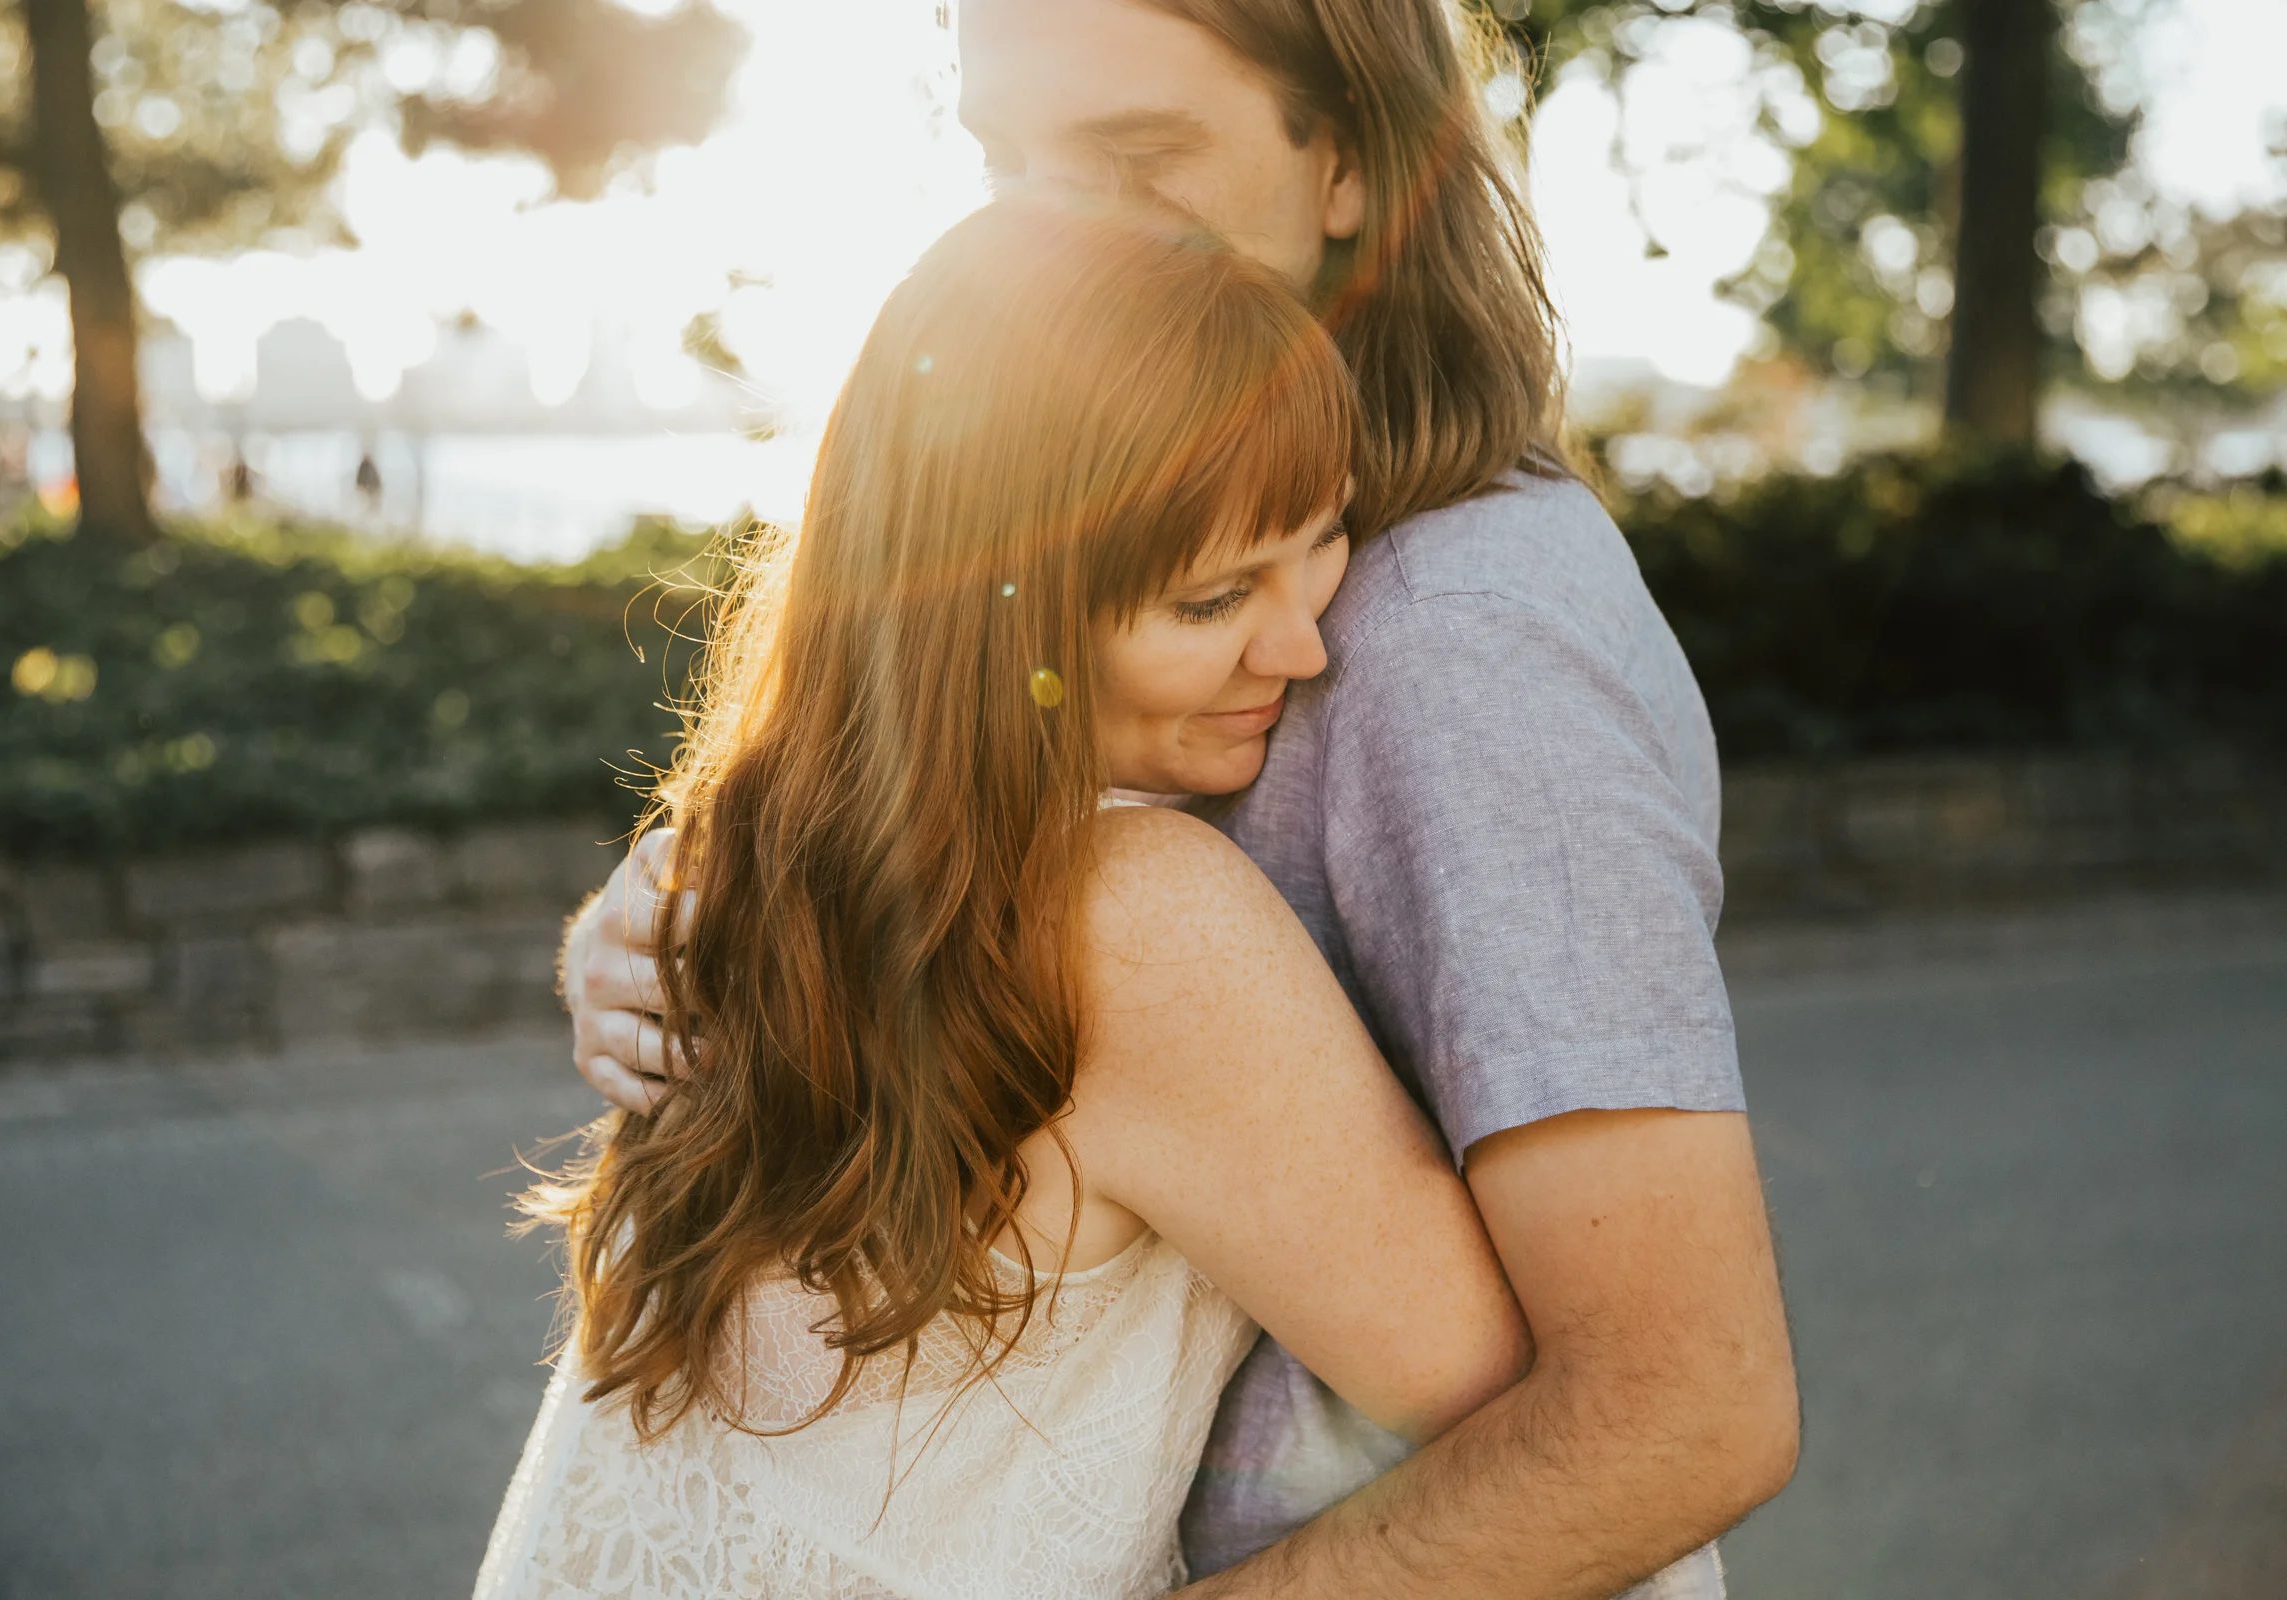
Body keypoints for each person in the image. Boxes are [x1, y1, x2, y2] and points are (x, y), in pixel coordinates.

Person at [560, 2, 1802, 1596]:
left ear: (1351, 159)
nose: (1050, 226)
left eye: (1137, 157)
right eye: (1002, 159)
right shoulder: (1125, 570)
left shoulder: (1452, 631)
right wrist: (687, 908)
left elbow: (1676, 1415)